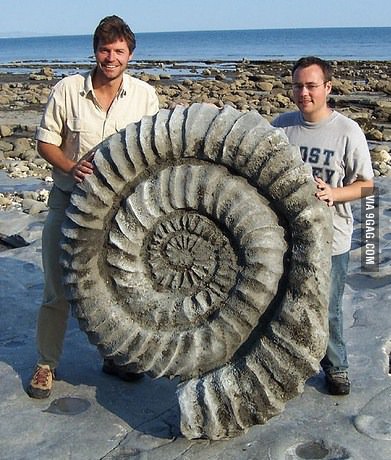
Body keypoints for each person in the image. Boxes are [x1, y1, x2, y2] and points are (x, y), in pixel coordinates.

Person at [27, 15, 159, 399]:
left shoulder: (144, 96)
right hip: (68, 201)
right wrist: (70, 166)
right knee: (57, 285)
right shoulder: (68, 89)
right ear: (95, 51)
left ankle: (114, 356)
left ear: (130, 55)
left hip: (121, 212)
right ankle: (45, 364)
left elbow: (152, 148)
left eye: (119, 51)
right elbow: (45, 142)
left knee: (114, 287)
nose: (111, 57)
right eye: (105, 49)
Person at [272, 56, 374, 396]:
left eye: (311, 86)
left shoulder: (347, 131)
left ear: (327, 88)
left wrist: (334, 193)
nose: (304, 93)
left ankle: (337, 368)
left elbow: (367, 185)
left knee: (327, 309)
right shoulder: (281, 127)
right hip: (285, 239)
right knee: (282, 305)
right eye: (298, 86)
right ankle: (288, 364)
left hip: (332, 240)